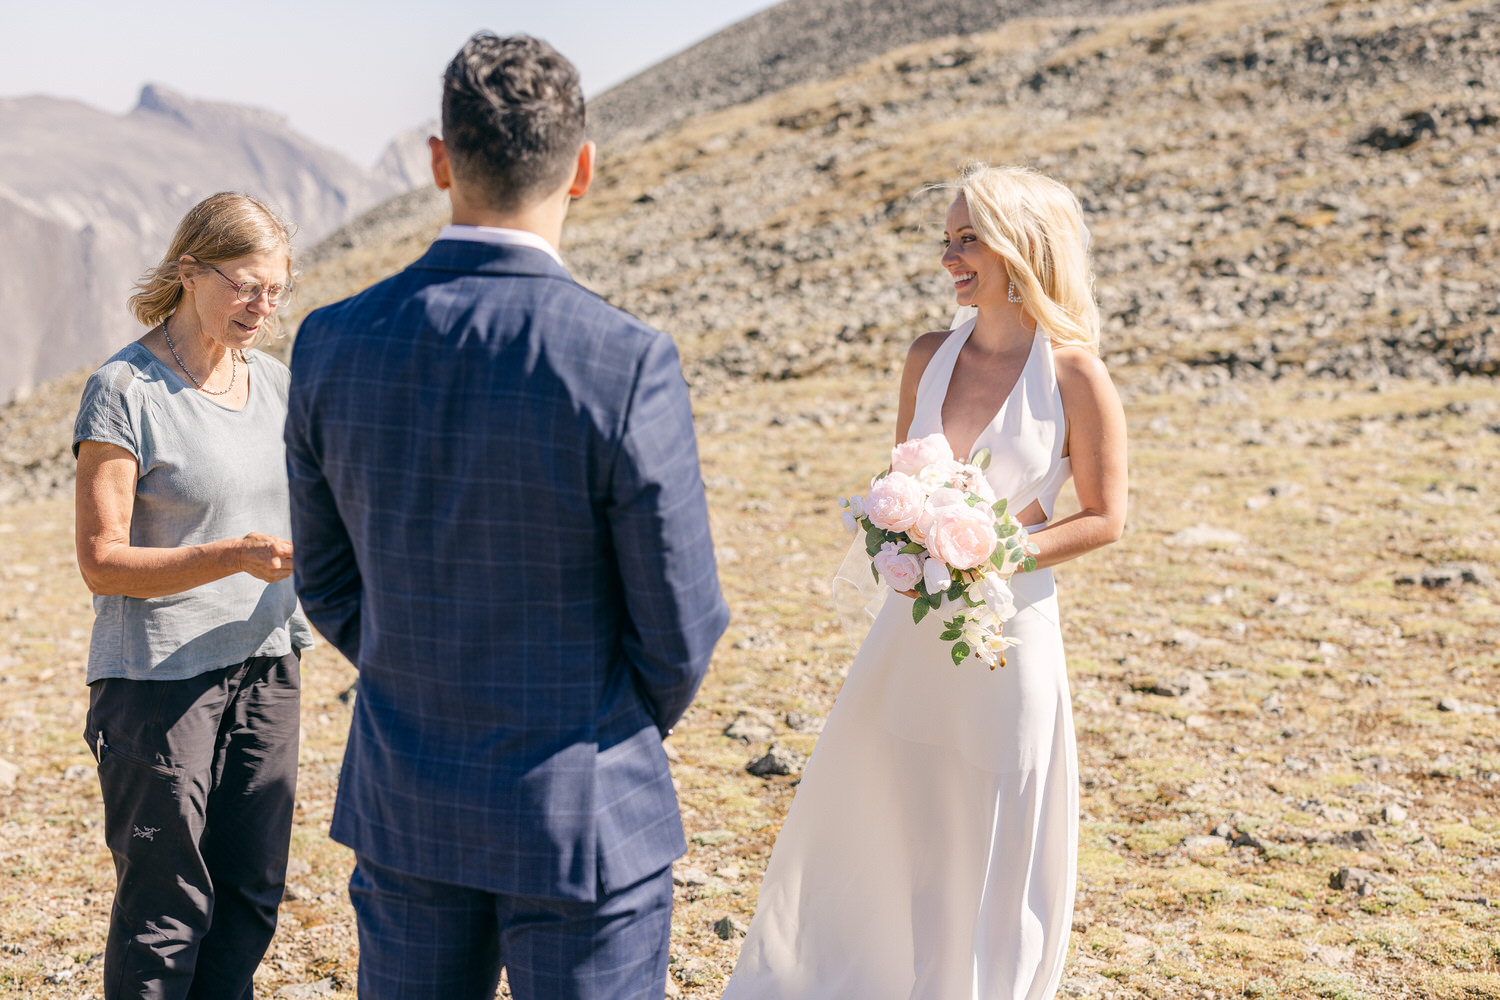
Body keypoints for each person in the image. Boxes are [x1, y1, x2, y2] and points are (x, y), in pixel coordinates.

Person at [284, 32, 730, 1000]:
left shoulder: (330, 343)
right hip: (585, 808)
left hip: (409, 798)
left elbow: (323, 581)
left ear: (439, 159)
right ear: (582, 170)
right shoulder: (623, 360)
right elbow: (683, 621)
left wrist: (416, 665)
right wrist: (600, 721)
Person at [723, 164, 1128, 999]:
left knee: (988, 826)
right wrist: (904, 527)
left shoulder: (1076, 375)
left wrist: (996, 554)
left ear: (1021, 246)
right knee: (887, 812)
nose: (949, 256)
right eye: (945, 240)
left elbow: (1104, 516)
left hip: (1008, 642)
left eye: (967, 238)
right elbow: (900, 480)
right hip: (911, 631)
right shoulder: (926, 358)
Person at [72, 191, 312, 1000]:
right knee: (165, 911)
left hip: (268, 664)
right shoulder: (124, 390)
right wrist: (231, 555)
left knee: (250, 895)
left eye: (276, 289)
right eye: (246, 285)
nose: (262, 305)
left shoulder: (276, 383)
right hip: (157, 685)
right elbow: (102, 562)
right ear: (188, 271)